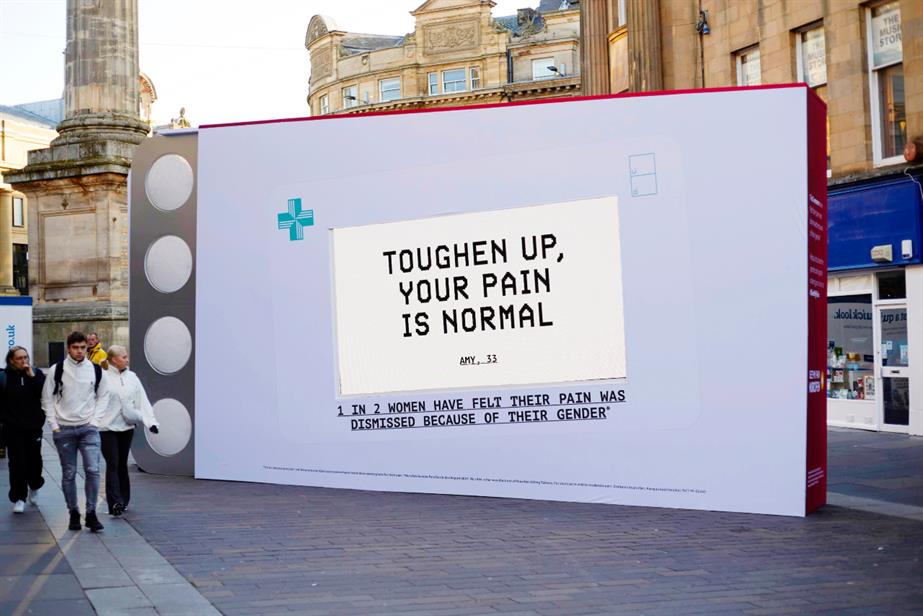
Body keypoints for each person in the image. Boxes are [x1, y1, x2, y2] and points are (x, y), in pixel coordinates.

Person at [42, 331, 111, 532]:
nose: (80, 351)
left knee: (93, 470)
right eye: (76, 347)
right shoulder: (57, 370)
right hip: (63, 429)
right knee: (69, 473)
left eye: (83, 347)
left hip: (88, 428)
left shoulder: (96, 371)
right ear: (68, 348)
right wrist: (54, 426)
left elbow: (103, 396)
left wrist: (95, 422)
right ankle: (73, 512)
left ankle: (91, 513)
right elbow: (47, 399)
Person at [99, 345, 159, 516]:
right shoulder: (102, 377)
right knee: (112, 463)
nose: (127, 359)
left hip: (126, 427)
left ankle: (124, 500)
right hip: (106, 427)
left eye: (126, 356)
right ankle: (115, 502)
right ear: (113, 360)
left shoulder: (132, 377)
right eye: (123, 357)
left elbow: (142, 401)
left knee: (121, 464)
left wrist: (151, 422)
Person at [0, 347, 46, 514]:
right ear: (11, 360)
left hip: (33, 428)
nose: (23, 361)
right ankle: (19, 497)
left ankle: (34, 485)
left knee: (34, 461)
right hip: (12, 429)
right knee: (17, 464)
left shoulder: (37, 374)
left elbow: (44, 395)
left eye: (25, 357)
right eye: (19, 358)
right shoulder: (4, 377)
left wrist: (33, 378)